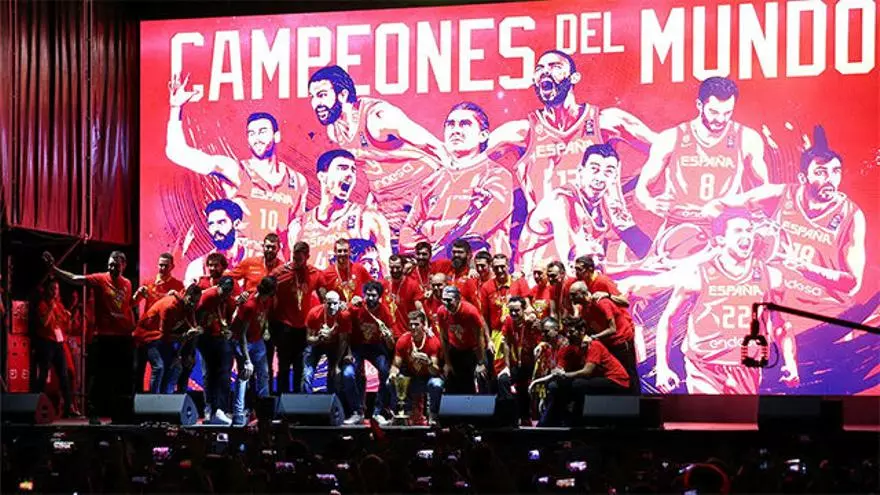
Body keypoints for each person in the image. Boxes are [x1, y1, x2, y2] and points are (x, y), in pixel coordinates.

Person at [703, 125, 866, 332]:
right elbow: (714, 207)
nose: (830, 180)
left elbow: (852, 282)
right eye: (821, 172)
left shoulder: (852, 216)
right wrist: (741, 239)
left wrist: (805, 267)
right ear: (802, 178)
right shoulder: (779, 194)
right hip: (774, 303)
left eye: (835, 172)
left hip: (822, 313)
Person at [621, 209, 798, 394]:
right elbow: (668, 320)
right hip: (704, 366)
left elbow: (781, 324)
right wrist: (662, 367)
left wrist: (790, 361)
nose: (747, 236)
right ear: (720, 240)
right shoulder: (697, 275)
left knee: (738, 421)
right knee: (709, 416)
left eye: (749, 230)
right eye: (738, 231)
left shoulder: (772, 277)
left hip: (746, 365)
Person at [489, 49, 655, 210]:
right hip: (548, 234)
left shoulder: (606, 121)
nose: (545, 72)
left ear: (574, 77)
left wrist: (640, 189)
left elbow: (668, 150)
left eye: (555, 66)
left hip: (600, 234)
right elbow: (468, 162)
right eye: (539, 69)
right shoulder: (521, 132)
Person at [167, 75, 308, 255]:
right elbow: (177, 152)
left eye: (263, 131)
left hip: (275, 269)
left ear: (276, 136)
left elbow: (297, 230)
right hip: (240, 266)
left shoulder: (297, 181)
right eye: (251, 133)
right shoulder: (235, 170)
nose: (257, 138)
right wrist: (176, 108)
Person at [635, 77, 769, 254]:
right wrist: (650, 204)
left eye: (727, 113)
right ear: (699, 105)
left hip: (722, 229)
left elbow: (765, 192)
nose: (720, 119)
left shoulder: (747, 138)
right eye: (714, 112)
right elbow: (640, 192)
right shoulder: (671, 138)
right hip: (678, 227)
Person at [308, 65, 448, 235]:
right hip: (391, 205)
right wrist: (371, 203)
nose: (316, 103)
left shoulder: (378, 117)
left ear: (343, 95)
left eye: (322, 95)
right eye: (313, 97)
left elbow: (436, 147)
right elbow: (371, 165)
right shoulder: (334, 131)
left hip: (424, 192)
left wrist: (455, 185)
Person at [400, 102, 514, 256]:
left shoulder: (497, 176)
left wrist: (430, 228)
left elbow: (474, 231)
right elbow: (406, 236)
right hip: (436, 275)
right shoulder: (431, 182)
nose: (456, 130)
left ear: (483, 135)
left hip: (480, 273)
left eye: (465, 124)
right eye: (451, 125)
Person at [518, 144, 650, 273]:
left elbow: (637, 241)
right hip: (540, 282)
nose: (600, 178)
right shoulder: (562, 201)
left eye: (608, 172)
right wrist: (637, 267)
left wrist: (655, 260)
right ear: (581, 171)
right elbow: (578, 264)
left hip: (578, 281)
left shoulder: (608, 202)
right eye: (595, 170)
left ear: (614, 177)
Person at [43, 250, 135, 424]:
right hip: (104, 337)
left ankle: (120, 416)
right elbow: (75, 278)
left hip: (122, 338)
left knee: (121, 378)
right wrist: (55, 269)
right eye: (110, 264)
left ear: (124, 265)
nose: (112, 267)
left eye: (115, 264)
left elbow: (126, 308)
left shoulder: (128, 284)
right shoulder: (100, 279)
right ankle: (93, 413)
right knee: (99, 377)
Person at [287, 150, 391, 269]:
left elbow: (388, 273)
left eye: (353, 170)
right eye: (342, 168)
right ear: (322, 176)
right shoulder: (298, 226)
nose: (350, 174)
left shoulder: (368, 218)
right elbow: (294, 276)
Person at [533, 319, 630, 426]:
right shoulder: (570, 348)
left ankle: (578, 422)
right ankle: (549, 422)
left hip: (615, 380)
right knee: (555, 386)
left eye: (571, 332)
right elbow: (559, 368)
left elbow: (587, 372)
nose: (568, 335)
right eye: (567, 332)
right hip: (593, 379)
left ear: (582, 331)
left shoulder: (593, 345)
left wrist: (564, 375)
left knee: (578, 384)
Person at [269, 241, 322, 394]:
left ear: (307, 257)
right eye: (294, 258)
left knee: (300, 366)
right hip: (283, 325)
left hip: (302, 327)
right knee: (284, 366)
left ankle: (298, 403)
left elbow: (324, 296)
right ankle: (282, 403)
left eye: (299, 259)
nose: (296, 262)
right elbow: (266, 289)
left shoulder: (314, 273)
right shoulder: (280, 272)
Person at [569, 281, 639, 394]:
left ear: (582, 293)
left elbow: (612, 329)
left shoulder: (601, 302)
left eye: (573, 295)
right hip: (608, 344)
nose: (571, 298)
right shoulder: (584, 309)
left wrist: (593, 337)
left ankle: (638, 404)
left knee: (628, 375)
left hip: (621, 341)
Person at [342, 281, 396, 425]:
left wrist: (388, 337)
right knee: (348, 374)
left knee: (386, 372)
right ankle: (357, 411)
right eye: (368, 295)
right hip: (357, 347)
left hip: (376, 347)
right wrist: (349, 304)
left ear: (379, 297)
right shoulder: (356, 308)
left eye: (374, 295)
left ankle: (378, 412)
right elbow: (344, 325)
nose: (370, 298)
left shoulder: (384, 311)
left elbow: (391, 344)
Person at [133, 284, 202, 394]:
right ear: (185, 294)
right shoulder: (170, 306)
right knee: (159, 367)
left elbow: (190, 331)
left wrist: (180, 354)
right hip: (147, 337)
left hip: (160, 339)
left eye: (196, 301)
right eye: (192, 300)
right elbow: (165, 335)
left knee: (175, 367)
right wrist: (183, 337)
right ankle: (153, 401)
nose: (194, 304)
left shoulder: (188, 307)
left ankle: (167, 399)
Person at [230, 276, 277, 426]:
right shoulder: (250, 305)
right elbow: (242, 334)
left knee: (264, 375)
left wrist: (267, 329)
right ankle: (238, 413)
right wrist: (247, 360)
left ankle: (264, 412)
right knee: (245, 375)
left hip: (258, 341)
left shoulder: (266, 300)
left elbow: (265, 316)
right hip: (243, 342)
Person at [388, 311, 444, 425]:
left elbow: (435, 372)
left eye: (416, 324)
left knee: (437, 384)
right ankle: (402, 413)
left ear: (423, 325)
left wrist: (428, 362)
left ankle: (434, 415)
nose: (413, 327)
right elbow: (395, 365)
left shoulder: (432, 341)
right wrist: (393, 374)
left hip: (428, 379)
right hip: (411, 379)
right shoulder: (403, 340)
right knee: (390, 382)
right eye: (411, 324)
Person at [480, 254, 530, 378]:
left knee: (520, 367)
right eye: (496, 267)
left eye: (502, 266)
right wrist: (489, 339)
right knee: (499, 371)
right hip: (497, 334)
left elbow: (528, 306)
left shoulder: (519, 282)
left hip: (517, 333)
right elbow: (484, 317)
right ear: (492, 267)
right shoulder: (486, 287)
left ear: (508, 266)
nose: (500, 270)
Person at [195, 276, 237, 424]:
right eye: (223, 291)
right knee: (209, 374)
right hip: (206, 338)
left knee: (225, 373)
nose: (225, 294)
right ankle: (209, 407)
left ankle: (221, 409)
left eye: (228, 292)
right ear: (218, 286)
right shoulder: (208, 297)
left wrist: (229, 330)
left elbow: (231, 318)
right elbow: (196, 314)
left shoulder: (228, 299)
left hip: (221, 337)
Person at [33, 279, 78, 417]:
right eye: (52, 289)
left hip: (58, 343)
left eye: (56, 289)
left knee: (64, 375)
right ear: (48, 290)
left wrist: (70, 313)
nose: (55, 292)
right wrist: (51, 307)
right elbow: (45, 322)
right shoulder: (43, 304)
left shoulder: (59, 305)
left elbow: (65, 325)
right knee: (43, 375)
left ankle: (68, 409)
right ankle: (35, 405)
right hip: (46, 342)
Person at [496, 296, 542, 425]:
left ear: (524, 309)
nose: (514, 313)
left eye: (517, 310)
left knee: (525, 389)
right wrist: (506, 366)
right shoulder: (509, 321)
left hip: (532, 364)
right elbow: (506, 343)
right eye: (511, 311)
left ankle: (526, 417)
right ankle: (510, 416)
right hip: (516, 363)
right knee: (503, 380)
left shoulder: (532, 323)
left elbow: (540, 342)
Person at [184, 199, 251, 286]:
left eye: (221, 222)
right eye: (211, 224)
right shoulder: (197, 267)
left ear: (236, 224)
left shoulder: (253, 262)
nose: (215, 229)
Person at [437, 286, 489, 394]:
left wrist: (481, 361)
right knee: (453, 380)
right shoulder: (442, 312)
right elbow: (443, 337)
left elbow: (479, 337)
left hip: (473, 349)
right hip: (455, 348)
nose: (446, 303)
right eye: (443, 300)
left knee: (480, 377)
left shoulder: (470, 311)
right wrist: (447, 362)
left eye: (449, 300)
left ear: (458, 299)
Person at [303, 291, 351, 398]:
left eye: (335, 303)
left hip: (335, 345)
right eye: (329, 303)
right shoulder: (314, 313)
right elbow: (308, 339)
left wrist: (337, 364)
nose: (332, 307)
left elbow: (343, 341)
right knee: (307, 373)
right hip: (317, 344)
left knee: (334, 373)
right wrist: (320, 338)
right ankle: (307, 401)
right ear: (324, 302)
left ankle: (332, 400)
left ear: (340, 303)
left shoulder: (344, 315)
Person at [382, 254, 425, 336]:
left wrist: (423, 328)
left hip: (407, 333)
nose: (394, 270)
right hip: (388, 335)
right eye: (391, 267)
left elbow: (420, 309)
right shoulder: (383, 284)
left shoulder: (412, 284)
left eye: (398, 267)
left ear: (403, 266)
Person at [319, 238, 372, 304]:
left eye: (345, 251)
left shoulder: (359, 268)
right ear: (335, 252)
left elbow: (373, 286)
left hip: (358, 311)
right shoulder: (327, 273)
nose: (342, 253)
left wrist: (365, 300)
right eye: (339, 251)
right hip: (339, 313)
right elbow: (322, 294)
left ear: (350, 251)